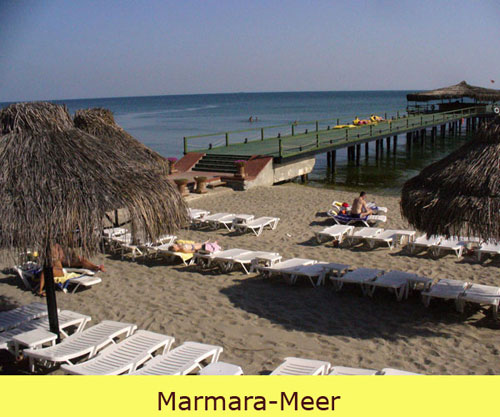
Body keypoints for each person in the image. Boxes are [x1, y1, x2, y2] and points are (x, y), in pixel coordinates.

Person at [36, 244, 104, 296]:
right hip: (58, 270)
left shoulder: (56, 246)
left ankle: (96, 267)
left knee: (81, 260)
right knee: (46, 271)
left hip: (62, 266)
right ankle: (40, 291)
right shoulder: (47, 248)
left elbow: (61, 257)